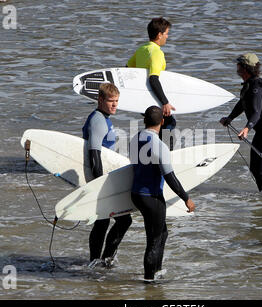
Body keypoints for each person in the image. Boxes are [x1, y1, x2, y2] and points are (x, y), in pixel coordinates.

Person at [130, 106, 195, 282]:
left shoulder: (135, 139)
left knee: (162, 234)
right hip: (152, 197)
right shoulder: (159, 145)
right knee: (153, 240)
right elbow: (170, 177)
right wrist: (186, 198)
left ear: (144, 121)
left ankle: (157, 271)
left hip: (136, 194)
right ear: (162, 122)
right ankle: (149, 282)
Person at [82, 83, 132, 268]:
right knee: (122, 219)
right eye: (111, 101)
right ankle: (102, 260)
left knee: (104, 221)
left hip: (104, 177)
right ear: (100, 100)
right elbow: (94, 154)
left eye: (117, 101)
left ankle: (99, 261)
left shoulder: (104, 118)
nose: (114, 105)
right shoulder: (97, 120)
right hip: (99, 178)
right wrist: (99, 185)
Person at [220, 53, 262, 192]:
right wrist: (230, 118)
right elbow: (242, 103)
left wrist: (247, 128)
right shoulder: (248, 85)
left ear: (244, 68)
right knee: (255, 169)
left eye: (238, 65)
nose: (236, 68)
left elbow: (256, 111)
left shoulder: (256, 87)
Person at [126, 17, 176, 149]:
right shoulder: (156, 52)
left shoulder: (141, 49)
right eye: (166, 34)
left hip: (143, 99)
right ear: (159, 35)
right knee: (169, 123)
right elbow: (153, 78)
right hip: (154, 98)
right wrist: (165, 102)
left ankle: (147, 153)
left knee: (153, 127)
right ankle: (165, 155)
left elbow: (127, 69)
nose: (167, 36)